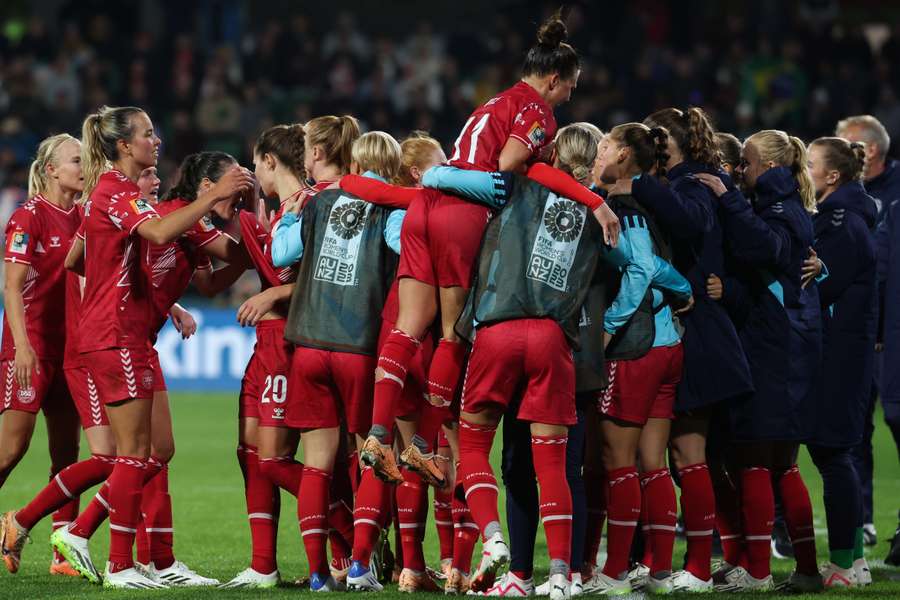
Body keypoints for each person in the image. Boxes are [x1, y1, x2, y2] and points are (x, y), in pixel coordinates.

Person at [360, 12, 619, 496]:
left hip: (428, 206)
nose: (569, 96)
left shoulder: (495, 101)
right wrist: (593, 200)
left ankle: (377, 435)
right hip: (464, 213)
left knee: (408, 325)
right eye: (570, 88)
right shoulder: (539, 112)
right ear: (554, 79)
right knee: (452, 333)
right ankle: (421, 441)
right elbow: (510, 164)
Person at [49, 105, 252, 589]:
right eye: (147, 134)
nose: (156, 141)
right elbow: (158, 232)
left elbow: (77, 259)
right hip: (113, 335)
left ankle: (138, 556)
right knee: (134, 453)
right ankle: (113, 560)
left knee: (155, 450)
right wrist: (218, 196)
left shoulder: (123, 198)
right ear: (123, 146)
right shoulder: (115, 191)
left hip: (126, 333)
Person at [271, 129, 415, 592]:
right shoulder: (391, 209)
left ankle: (316, 574)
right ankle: (358, 565)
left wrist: (291, 217)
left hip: (309, 343)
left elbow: (281, 254)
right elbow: (405, 247)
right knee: (372, 454)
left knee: (316, 464)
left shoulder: (316, 203)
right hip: (358, 347)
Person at [619, 107, 754, 591]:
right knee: (687, 458)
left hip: (700, 336)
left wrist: (637, 183)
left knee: (689, 454)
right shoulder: (688, 182)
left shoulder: (694, 185)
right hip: (693, 332)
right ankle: (692, 563)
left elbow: (693, 224)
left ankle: (700, 567)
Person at [696, 129, 821, 592]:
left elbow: (763, 250)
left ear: (767, 167)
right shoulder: (781, 206)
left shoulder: (774, 210)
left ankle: (760, 572)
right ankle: (802, 570)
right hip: (781, 348)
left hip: (772, 349)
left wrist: (727, 199)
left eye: (745, 163)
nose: (740, 170)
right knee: (781, 463)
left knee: (753, 457)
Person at [222, 122, 334, 590]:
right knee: (249, 452)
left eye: (255, 162)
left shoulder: (310, 206)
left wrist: (273, 296)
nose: (253, 172)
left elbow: (324, 275)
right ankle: (263, 564)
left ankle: (345, 529)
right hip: (265, 346)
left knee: (272, 458)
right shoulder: (278, 210)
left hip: (292, 342)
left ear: (270, 160)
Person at [587, 123, 694, 595]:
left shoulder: (624, 209)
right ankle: (660, 573)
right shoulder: (641, 207)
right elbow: (659, 266)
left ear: (625, 155)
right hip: (667, 345)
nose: (598, 152)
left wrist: (609, 328)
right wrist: (684, 288)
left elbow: (640, 266)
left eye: (605, 146)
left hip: (637, 348)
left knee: (619, 460)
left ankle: (613, 576)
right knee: (653, 461)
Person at [0, 134, 83, 576]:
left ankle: (62, 552)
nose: (83, 168)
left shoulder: (84, 216)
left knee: (67, 454)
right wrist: (23, 347)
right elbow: (11, 286)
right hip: (29, 348)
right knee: (12, 448)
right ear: (51, 169)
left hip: (69, 350)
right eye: (76, 160)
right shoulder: (28, 217)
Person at [805, 137, 877, 586]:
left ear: (833, 176)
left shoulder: (843, 224)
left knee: (833, 455)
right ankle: (855, 562)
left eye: (809, 164)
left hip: (839, 357)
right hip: (844, 354)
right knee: (836, 454)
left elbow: (822, 287)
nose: (804, 170)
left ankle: (845, 565)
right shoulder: (848, 218)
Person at [835, 114, 900, 548]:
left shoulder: (896, 195)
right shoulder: (843, 195)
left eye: (843, 144)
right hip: (857, 330)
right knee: (853, 427)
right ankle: (863, 520)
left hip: (893, 333)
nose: (836, 150)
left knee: (897, 419)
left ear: (869, 151)